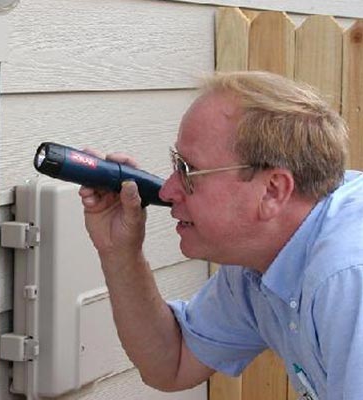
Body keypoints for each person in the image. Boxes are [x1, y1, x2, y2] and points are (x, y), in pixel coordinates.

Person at [78, 70, 363, 400]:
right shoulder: (262, 259)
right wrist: (119, 251)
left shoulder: (349, 274)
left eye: (187, 171)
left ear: (273, 191)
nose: (168, 191)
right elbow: (173, 363)